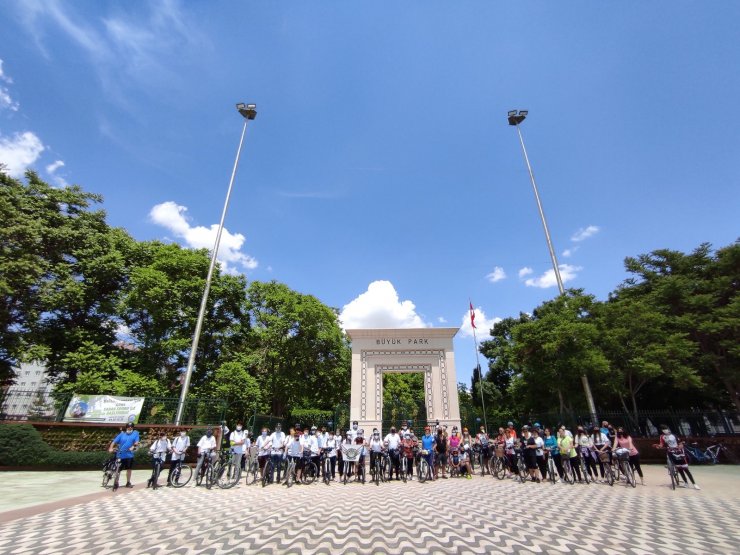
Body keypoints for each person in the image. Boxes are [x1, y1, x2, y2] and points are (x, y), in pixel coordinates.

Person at [655, 425, 699, 490]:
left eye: (665, 429)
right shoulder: (662, 437)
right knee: (680, 469)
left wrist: (680, 446)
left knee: (686, 469)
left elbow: (680, 443)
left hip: (679, 452)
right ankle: (686, 482)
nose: (664, 430)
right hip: (670, 452)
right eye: (663, 429)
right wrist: (658, 446)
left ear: (668, 429)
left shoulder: (674, 435)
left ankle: (694, 484)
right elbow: (661, 444)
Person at [108, 422, 140, 489]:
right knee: (118, 469)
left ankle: (128, 482)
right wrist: (111, 448)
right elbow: (114, 442)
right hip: (120, 455)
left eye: (131, 427)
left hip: (129, 455)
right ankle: (116, 482)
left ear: (133, 428)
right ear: (126, 427)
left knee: (129, 469)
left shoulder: (135, 434)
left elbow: (137, 442)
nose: (130, 428)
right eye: (128, 426)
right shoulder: (122, 434)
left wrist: (133, 446)